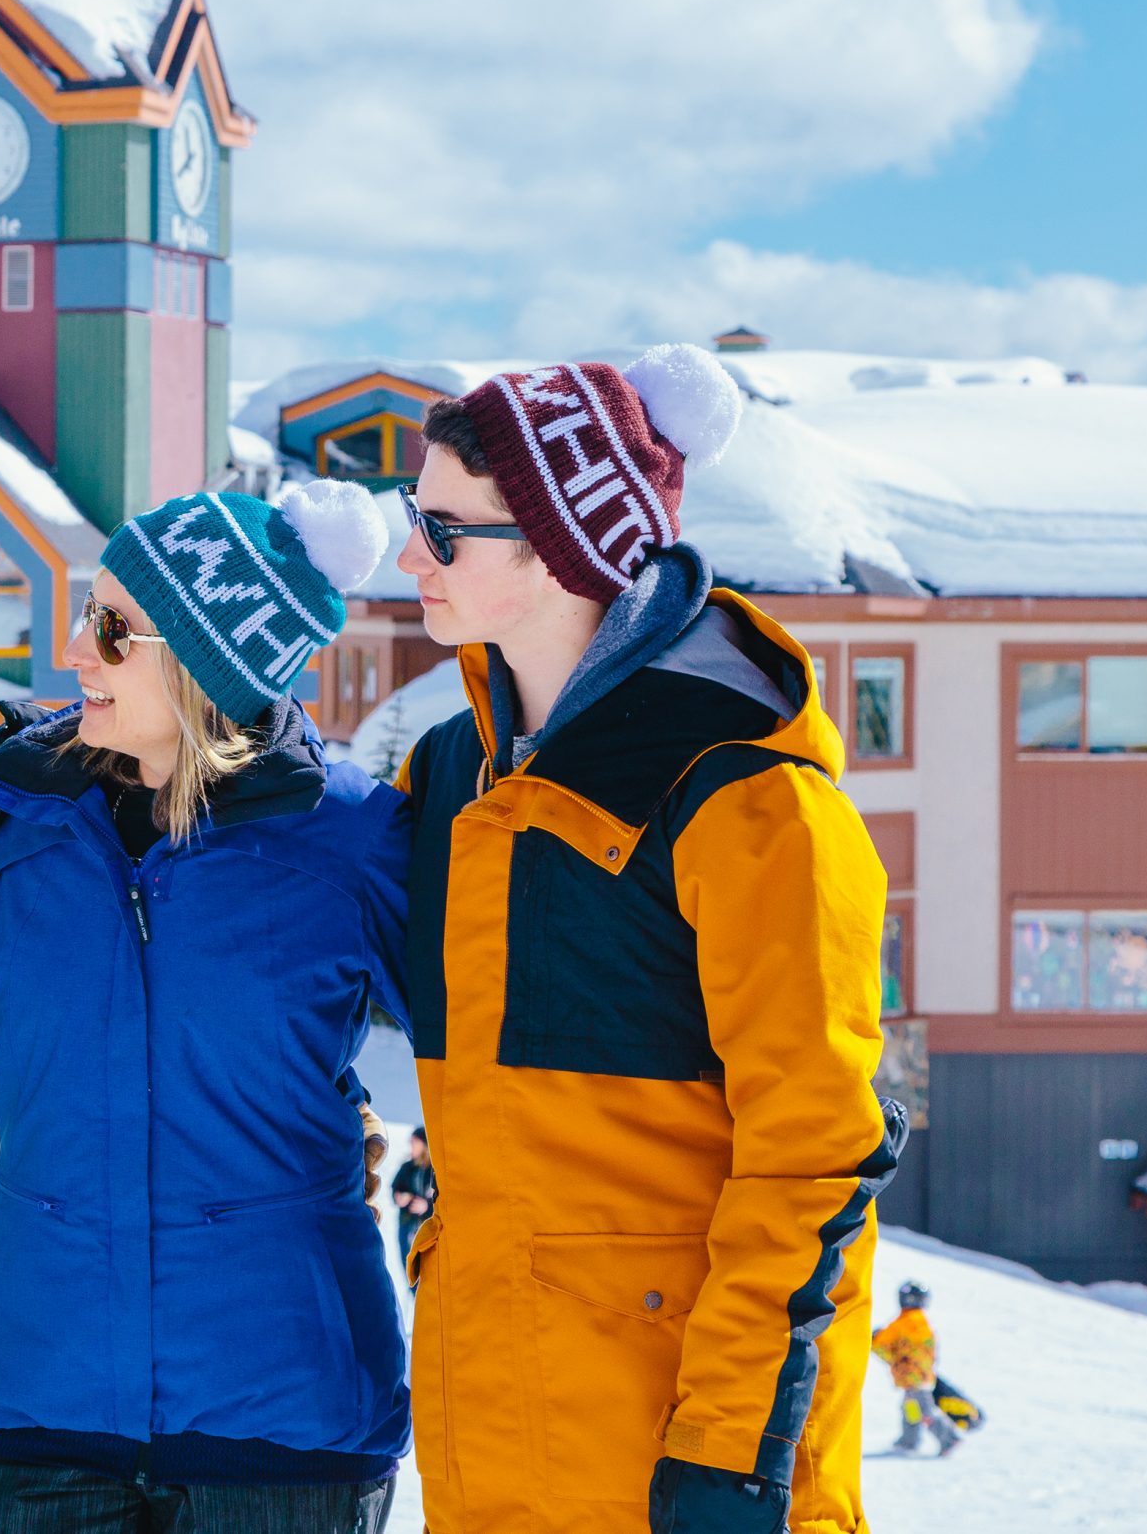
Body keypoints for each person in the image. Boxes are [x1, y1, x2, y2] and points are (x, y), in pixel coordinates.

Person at [391, 346, 905, 1534]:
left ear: (561, 548)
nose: (410, 555)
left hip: (690, 1466)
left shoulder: (747, 795)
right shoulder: (451, 776)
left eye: (445, 528)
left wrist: (737, 1452)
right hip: (495, 1452)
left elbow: (816, 1153)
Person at [0, 481, 411, 1534]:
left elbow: (485, 1058)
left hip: (281, 1426)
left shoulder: (351, 844)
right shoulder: (24, 836)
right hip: (36, 1409)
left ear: (202, 660)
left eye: (110, 628)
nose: (74, 653)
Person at [871, 1281, 961, 1456]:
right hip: (922, 1375)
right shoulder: (923, 1322)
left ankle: (949, 1437)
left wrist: (875, 1337)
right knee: (910, 1407)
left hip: (912, 1376)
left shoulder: (904, 1321)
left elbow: (881, 1343)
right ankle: (909, 1439)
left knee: (924, 1410)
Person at [390, 1128, 435, 1263]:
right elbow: (395, 1188)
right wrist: (399, 1197)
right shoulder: (407, 1167)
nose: (411, 1145)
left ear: (425, 1144)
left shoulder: (435, 1169)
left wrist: (427, 1207)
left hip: (428, 1230)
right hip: (407, 1226)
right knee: (409, 1268)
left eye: (414, 1141)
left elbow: (444, 1200)